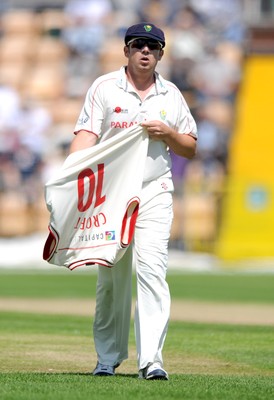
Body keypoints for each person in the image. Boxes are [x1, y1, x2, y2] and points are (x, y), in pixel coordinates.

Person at [69, 22, 197, 380]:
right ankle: (107, 358)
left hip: (154, 190)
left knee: (153, 271)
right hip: (110, 194)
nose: (145, 51)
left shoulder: (171, 94)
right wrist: (70, 179)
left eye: (153, 47)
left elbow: (190, 148)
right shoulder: (105, 87)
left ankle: (152, 360)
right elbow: (85, 136)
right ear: (126, 50)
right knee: (111, 277)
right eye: (138, 45)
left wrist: (169, 133)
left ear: (160, 54)